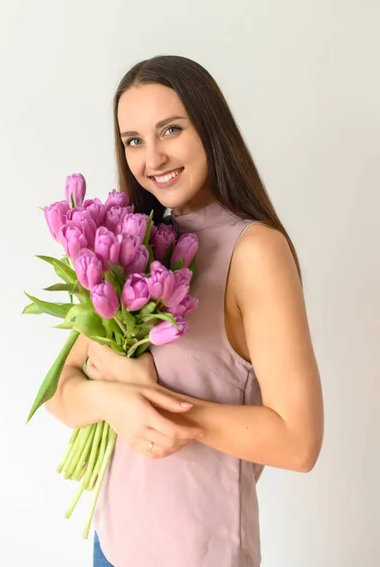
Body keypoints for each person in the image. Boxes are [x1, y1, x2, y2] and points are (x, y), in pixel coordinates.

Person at [46, 55, 324, 567]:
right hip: (111, 546)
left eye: (170, 130)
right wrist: (116, 403)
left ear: (210, 129)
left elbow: (298, 442)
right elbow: (59, 394)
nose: (151, 158)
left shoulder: (254, 252)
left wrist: (148, 401)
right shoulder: (132, 240)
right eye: (133, 140)